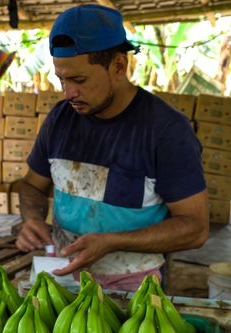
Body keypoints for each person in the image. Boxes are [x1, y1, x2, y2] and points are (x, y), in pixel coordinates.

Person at [16, 5, 209, 291]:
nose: (68, 93)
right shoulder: (59, 119)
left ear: (119, 66)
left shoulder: (167, 131)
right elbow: (32, 186)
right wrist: (31, 218)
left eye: (79, 80)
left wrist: (113, 243)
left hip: (132, 283)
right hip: (63, 276)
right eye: (62, 79)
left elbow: (195, 228)